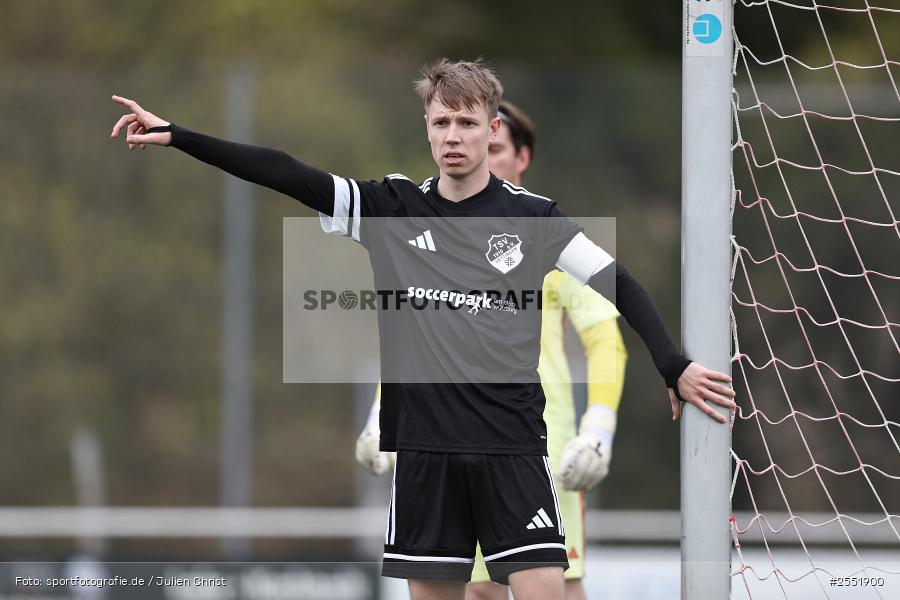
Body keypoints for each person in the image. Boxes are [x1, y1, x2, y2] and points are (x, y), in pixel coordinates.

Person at [110, 58, 736, 600]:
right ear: (427, 129)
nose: (453, 136)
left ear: (494, 130)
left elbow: (617, 282)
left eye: (468, 123)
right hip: (425, 458)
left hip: (513, 453)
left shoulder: (535, 218)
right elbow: (284, 170)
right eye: (442, 122)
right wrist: (178, 136)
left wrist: (673, 365)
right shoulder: (390, 208)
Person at [355, 100, 628, 600]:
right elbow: (417, 338)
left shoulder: (543, 233)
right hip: (452, 436)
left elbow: (605, 338)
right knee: (478, 592)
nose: (477, 152)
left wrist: (598, 427)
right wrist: (380, 413)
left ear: (520, 157)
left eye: (495, 147)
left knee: (562, 588)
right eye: (446, 126)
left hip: (538, 445)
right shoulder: (430, 231)